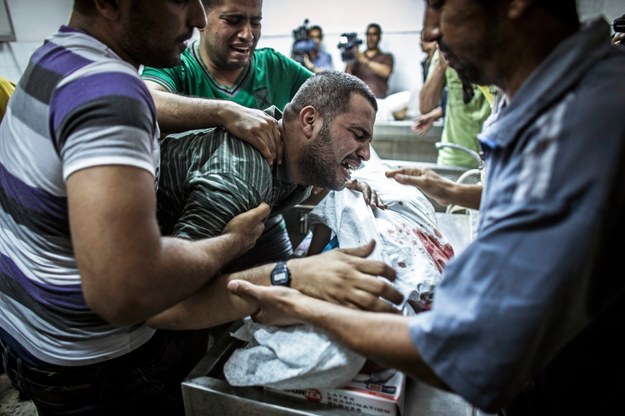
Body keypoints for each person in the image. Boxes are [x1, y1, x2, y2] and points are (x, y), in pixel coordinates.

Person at [226, 1, 625, 415]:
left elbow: (473, 349)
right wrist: (452, 192)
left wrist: (300, 299)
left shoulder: (586, 120)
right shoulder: (540, 106)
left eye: (438, 5)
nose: (429, 32)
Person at [148, 70, 403, 331]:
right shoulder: (240, 176)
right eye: (359, 136)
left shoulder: (297, 163)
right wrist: (288, 275)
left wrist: (346, 178)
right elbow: (162, 306)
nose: (367, 155)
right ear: (310, 120)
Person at [142, 0, 314, 264]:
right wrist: (225, 112)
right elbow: (145, 103)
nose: (247, 33)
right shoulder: (176, 64)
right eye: (233, 21)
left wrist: (342, 168)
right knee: (188, 292)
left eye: (255, 22)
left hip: (264, 223)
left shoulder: (275, 66)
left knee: (287, 286)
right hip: (196, 218)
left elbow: (336, 100)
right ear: (202, 19)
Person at [419, 46, 491, 169]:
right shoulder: (445, 52)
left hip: (492, 154)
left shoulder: (495, 50)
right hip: (454, 154)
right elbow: (426, 106)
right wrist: (441, 66)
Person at [345, 23, 394, 98]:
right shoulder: (357, 57)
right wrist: (350, 60)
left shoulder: (386, 57)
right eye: (368, 34)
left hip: (379, 101)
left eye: (374, 34)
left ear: (379, 37)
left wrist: (364, 60)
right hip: (359, 101)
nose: (370, 38)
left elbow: (386, 72)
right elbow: (346, 78)